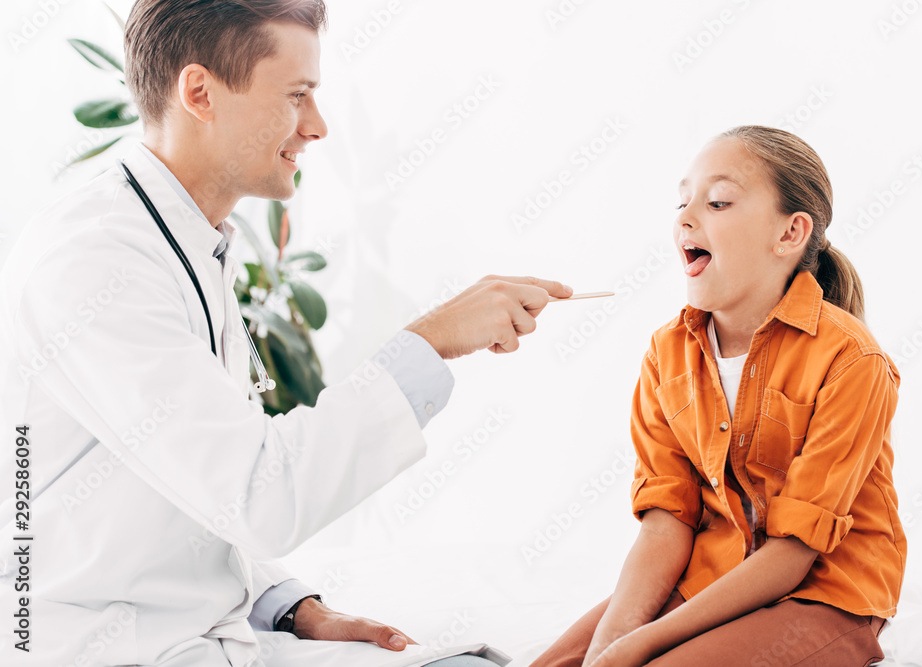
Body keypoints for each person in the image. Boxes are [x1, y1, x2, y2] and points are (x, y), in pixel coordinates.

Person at [0, 1, 571, 665]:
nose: (317, 125)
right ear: (200, 93)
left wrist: (290, 606)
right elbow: (257, 492)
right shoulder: (95, 262)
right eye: (297, 95)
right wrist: (430, 342)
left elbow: (190, 491)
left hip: (191, 635)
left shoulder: (182, 241)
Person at [529, 126, 906, 667]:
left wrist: (644, 642)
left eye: (719, 201)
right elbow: (668, 519)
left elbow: (795, 551)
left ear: (790, 233)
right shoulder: (667, 353)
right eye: (682, 201)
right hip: (712, 573)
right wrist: (615, 636)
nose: (685, 217)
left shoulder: (852, 360)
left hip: (824, 593)